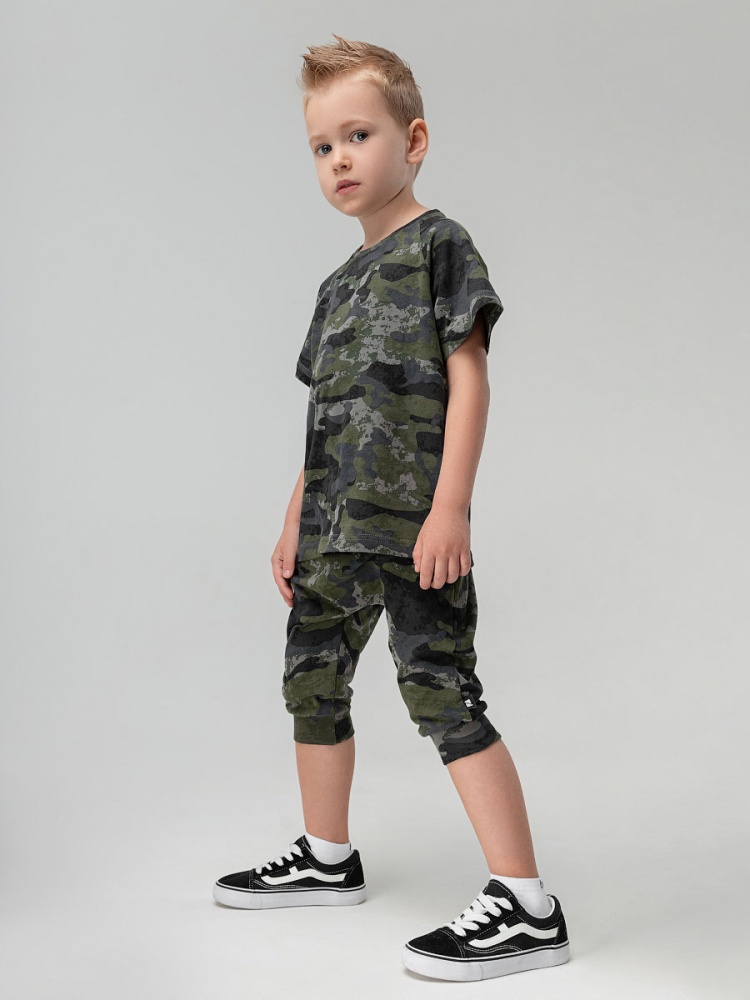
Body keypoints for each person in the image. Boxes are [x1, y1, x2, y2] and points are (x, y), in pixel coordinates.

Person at [213, 34, 570, 984]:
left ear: (413, 141)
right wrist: (293, 518)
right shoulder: (335, 287)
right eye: (321, 146)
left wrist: (452, 507)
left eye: (358, 136)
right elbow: (324, 415)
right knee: (312, 685)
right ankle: (326, 858)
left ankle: (528, 904)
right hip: (332, 535)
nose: (339, 159)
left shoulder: (439, 246)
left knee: (440, 690)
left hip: (413, 532)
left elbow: (470, 377)